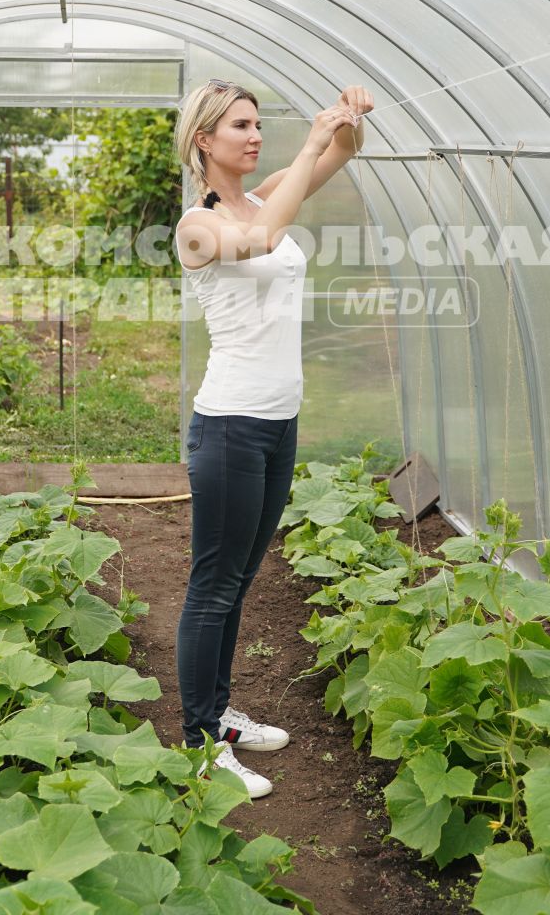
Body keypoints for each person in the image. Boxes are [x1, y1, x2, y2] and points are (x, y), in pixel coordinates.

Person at [170, 77, 372, 798]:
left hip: (278, 422)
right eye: (241, 127)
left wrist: (347, 118)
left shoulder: (266, 196)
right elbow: (260, 241)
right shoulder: (200, 224)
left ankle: (220, 715)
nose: (256, 137)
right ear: (205, 140)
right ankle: (201, 743)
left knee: (241, 580)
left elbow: (341, 153)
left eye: (259, 125)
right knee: (213, 586)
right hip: (228, 425)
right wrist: (312, 142)